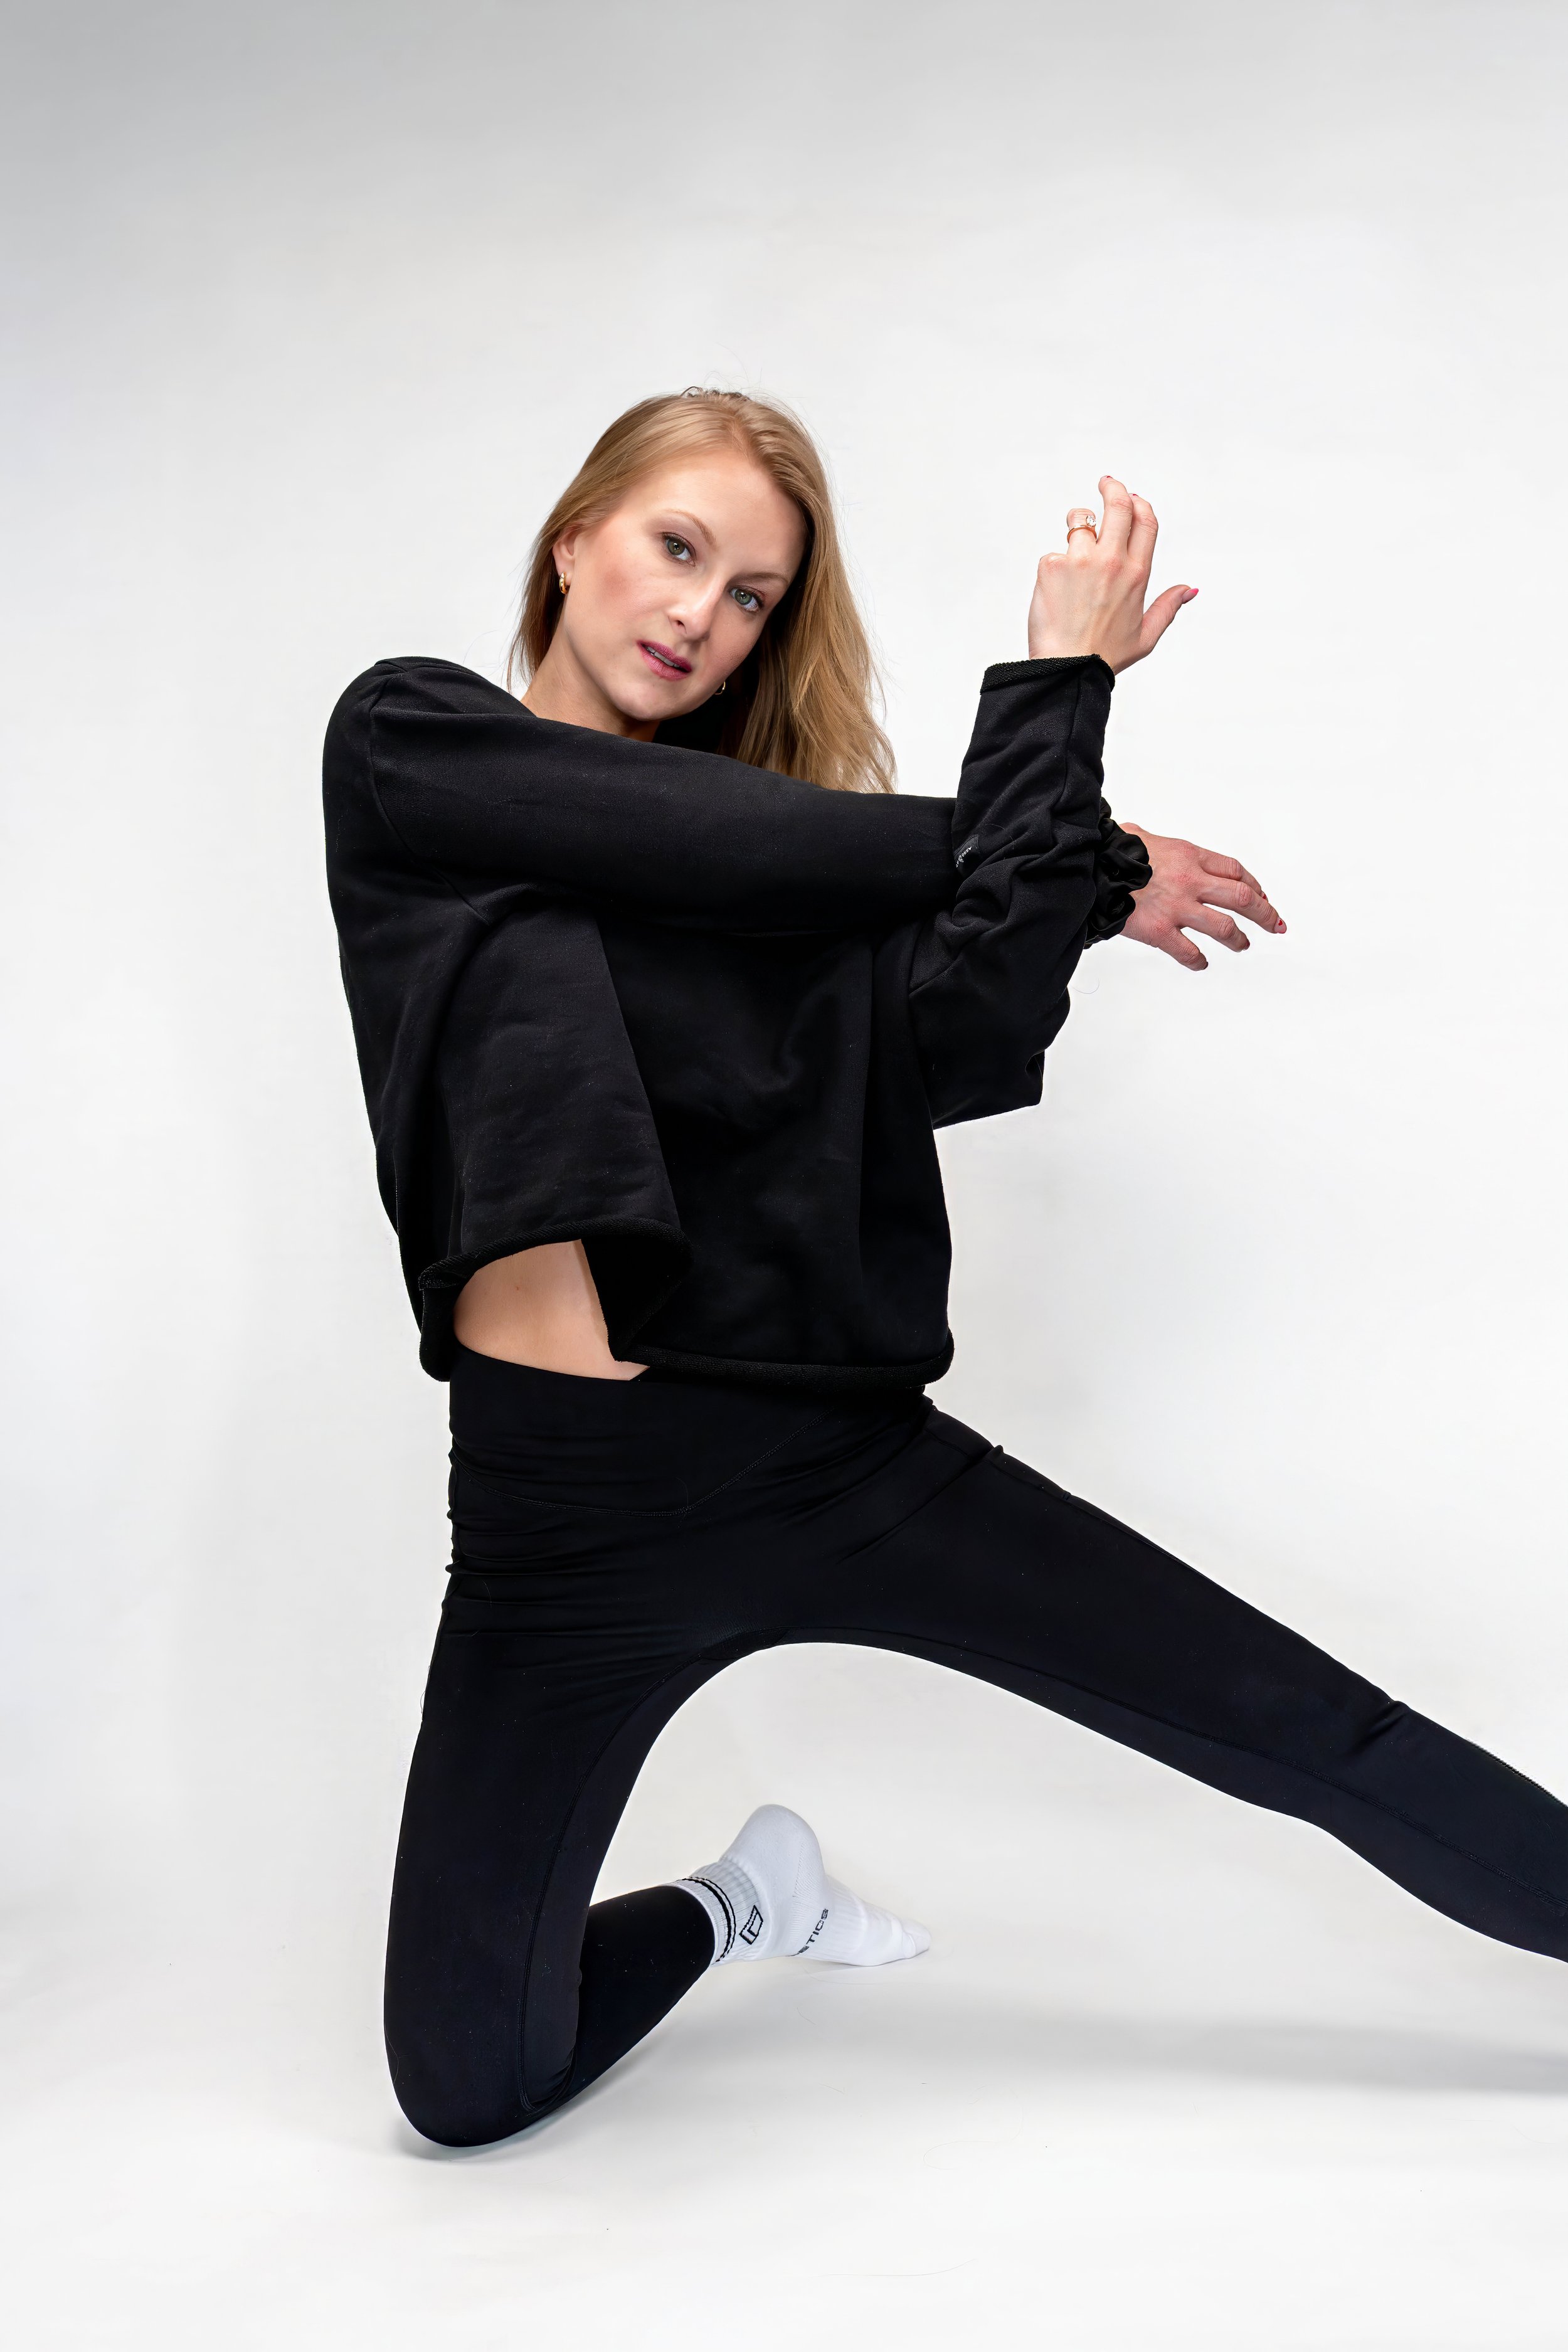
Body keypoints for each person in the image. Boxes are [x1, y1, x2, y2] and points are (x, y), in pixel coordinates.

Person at [324, 388, 1568, 2151]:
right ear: (575, 539)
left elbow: (971, 1025)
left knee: (1314, 1734)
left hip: (831, 1465)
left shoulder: (795, 904)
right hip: (558, 1518)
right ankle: (748, 1902)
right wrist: (1084, 860)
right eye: (677, 547)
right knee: (464, 2089)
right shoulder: (411, 748)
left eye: (750, 594)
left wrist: (1064, 690)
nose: (699, 611)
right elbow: (694, 836)